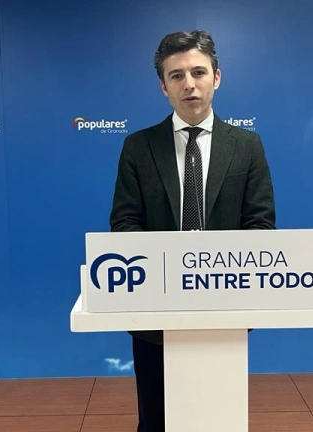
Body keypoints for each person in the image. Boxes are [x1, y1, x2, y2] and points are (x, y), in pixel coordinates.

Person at [108, 30, 276, 432]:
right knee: (157, 421)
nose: (189, 84)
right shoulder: (139, 147)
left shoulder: (247, 146)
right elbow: (124, 224)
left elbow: (260, 224)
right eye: (177, 75)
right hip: (155, 315)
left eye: (198, 72)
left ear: (216, 77)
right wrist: (167, 271)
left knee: (218, 419)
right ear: (163, 86)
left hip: (225, 312)